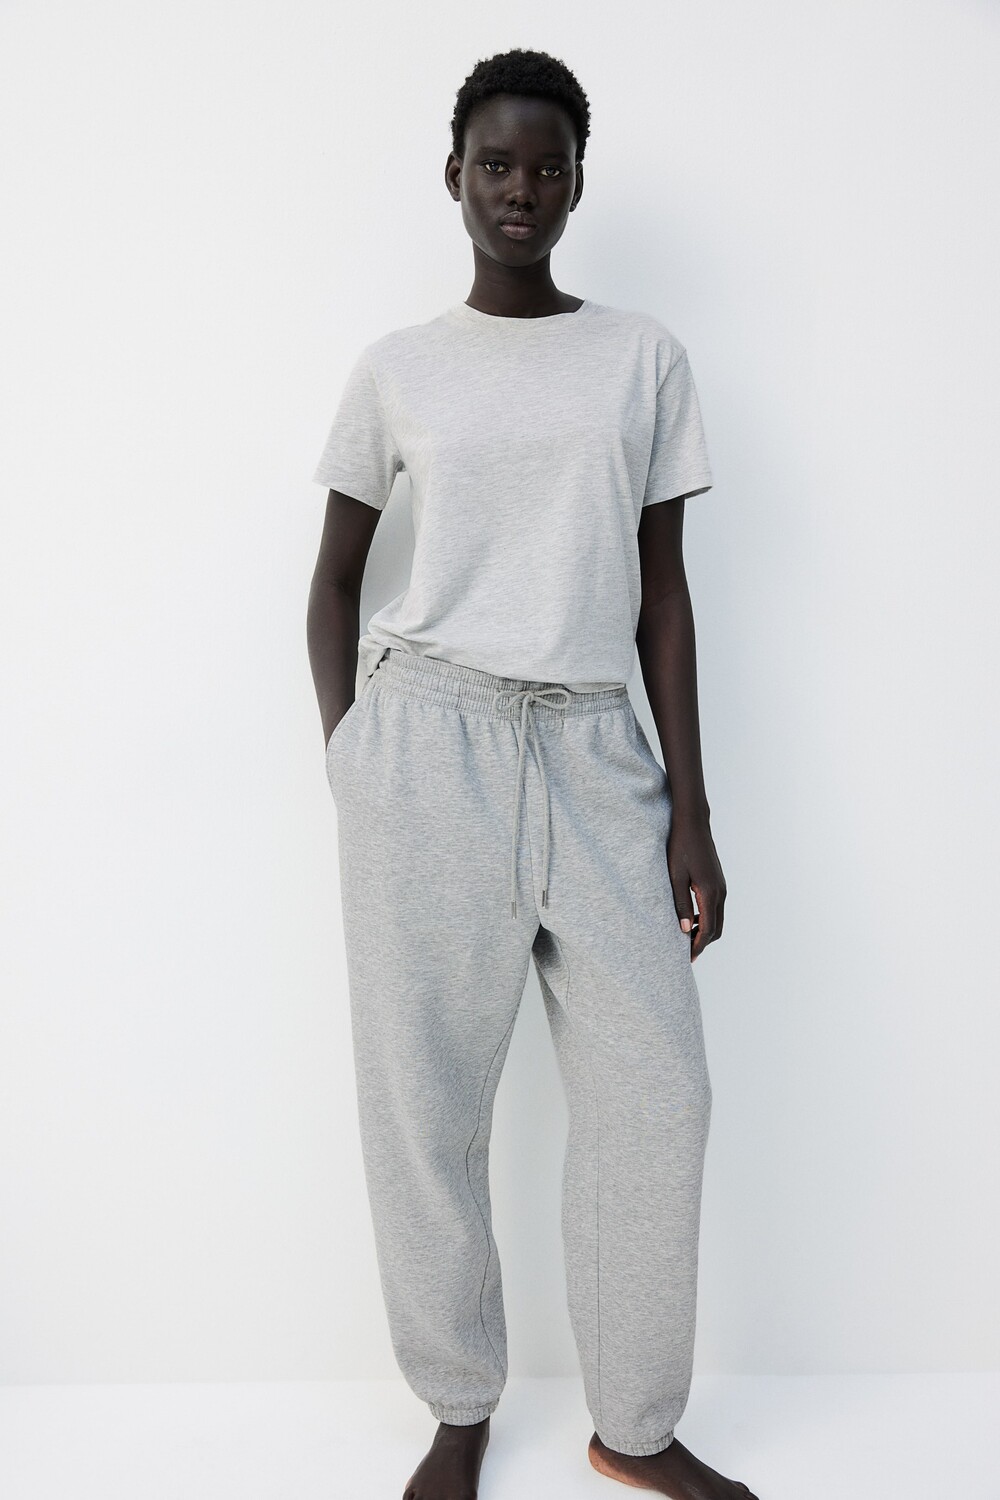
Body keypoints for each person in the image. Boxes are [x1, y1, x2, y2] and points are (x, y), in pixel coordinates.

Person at [307, 47, 757, 1500]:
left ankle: (634, 1427)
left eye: (547, 166)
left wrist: (690, 813)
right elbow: (332, 582)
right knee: (424, 1103)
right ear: (454, 176)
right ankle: (457, 1407)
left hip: (594, 747)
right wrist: (357, 760)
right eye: (495, 164)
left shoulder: (642, 358)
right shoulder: (399, 368)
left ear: (576, 184)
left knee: (658, 1095)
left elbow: (665, 593)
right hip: (424, 747)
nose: (520, 188)